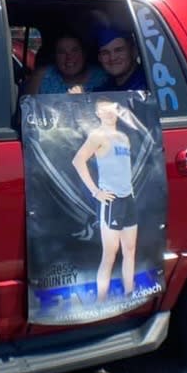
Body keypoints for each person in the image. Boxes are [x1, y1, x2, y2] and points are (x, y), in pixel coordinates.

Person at [71, 96, 137, 303]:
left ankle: (130, 294)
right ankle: (101, 301)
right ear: (98, 114)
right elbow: (77, 160)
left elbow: (123, 167)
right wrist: (96, 191)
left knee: (130, 250)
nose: (109, 112)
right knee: (110, 254)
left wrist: (130, 190)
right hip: (112, 201)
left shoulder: (123, 137)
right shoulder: (97, 135)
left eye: (112, 108)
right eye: (104, 110)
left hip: (128, 198)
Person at [25, 31, 107, 95]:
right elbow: (26, 112)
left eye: (74, 50)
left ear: (84, 53)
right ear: (55, 56)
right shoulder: (42, 76)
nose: (69, 57)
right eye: (62, 52)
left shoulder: (102, 78)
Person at [94, 27, 148, 92]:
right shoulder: (104, 88)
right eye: (105, 53)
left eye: (119, 50)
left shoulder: (149, 85)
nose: (112, 58)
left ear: (134, 51)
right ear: (99, 58)